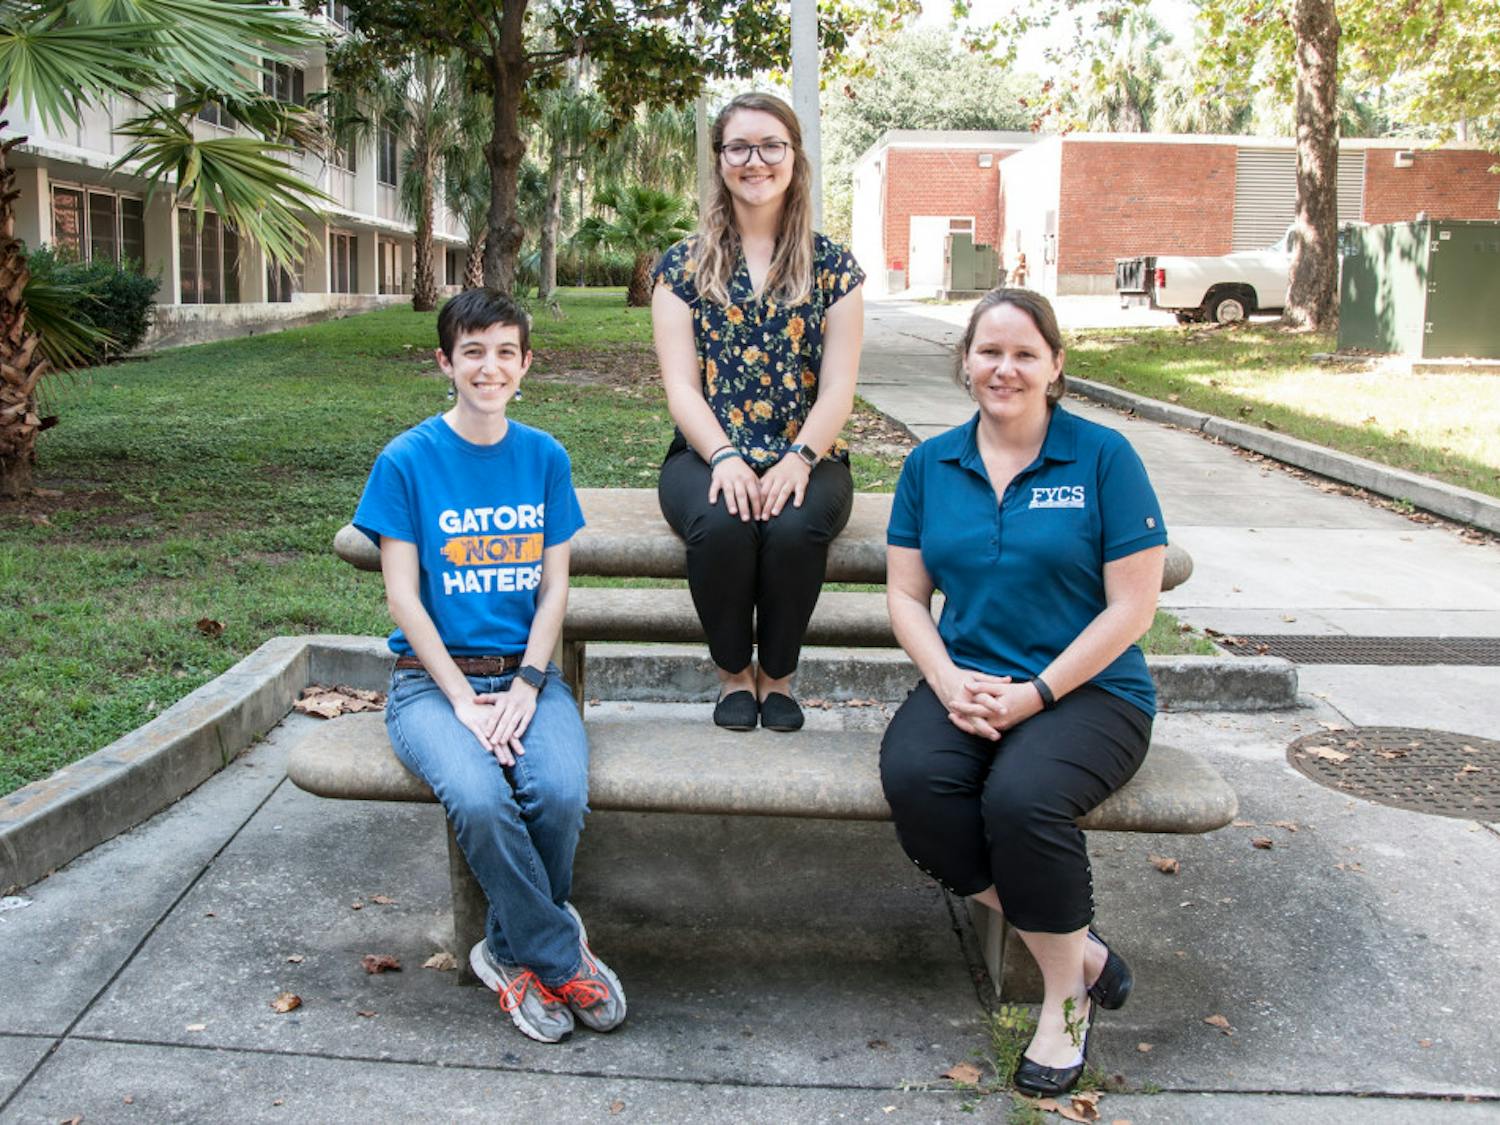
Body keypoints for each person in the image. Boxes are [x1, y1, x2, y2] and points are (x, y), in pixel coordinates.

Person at [878, 289, 1166, 1096]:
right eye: (989, 351)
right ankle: (1084, 950)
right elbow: (907, 596)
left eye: (1025, 353)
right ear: (965, 361)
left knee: (1022, 800)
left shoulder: (1104, 457)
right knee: (916, 783)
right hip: (968, 680)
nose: (1005, 368)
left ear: (1056, 365)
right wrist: (945, 678)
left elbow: (1133, 607)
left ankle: (1064, 998)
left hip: (1091, 693)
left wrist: (1036, 693)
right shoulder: (932, 463)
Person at [353, 289, 626, 1045]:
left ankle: (506, 952)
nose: (489, 365)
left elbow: (554, 589)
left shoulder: (544, 457)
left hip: (527, 674)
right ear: (445, 361)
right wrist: (466, 704)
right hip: (430, 686)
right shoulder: (406, 460)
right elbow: (405, 599)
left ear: (526, 364)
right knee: (479, 797)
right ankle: (560, 954)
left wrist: (529, 686)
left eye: (506, 350)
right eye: (472, 350)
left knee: (560, 791)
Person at [652, 91, 864, 734]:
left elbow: (838, 390)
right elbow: (682, 387)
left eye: (771, 145)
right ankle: (732, 678)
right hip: (705, 452)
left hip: (811, 451)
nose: (755, 161)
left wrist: (800, 458)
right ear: (719, 161)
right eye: (738, 147)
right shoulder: (682, 267)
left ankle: (778, 678)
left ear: (794, 157)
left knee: (795, 528)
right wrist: (724, 457)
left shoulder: (833, 268)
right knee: (722, 523)